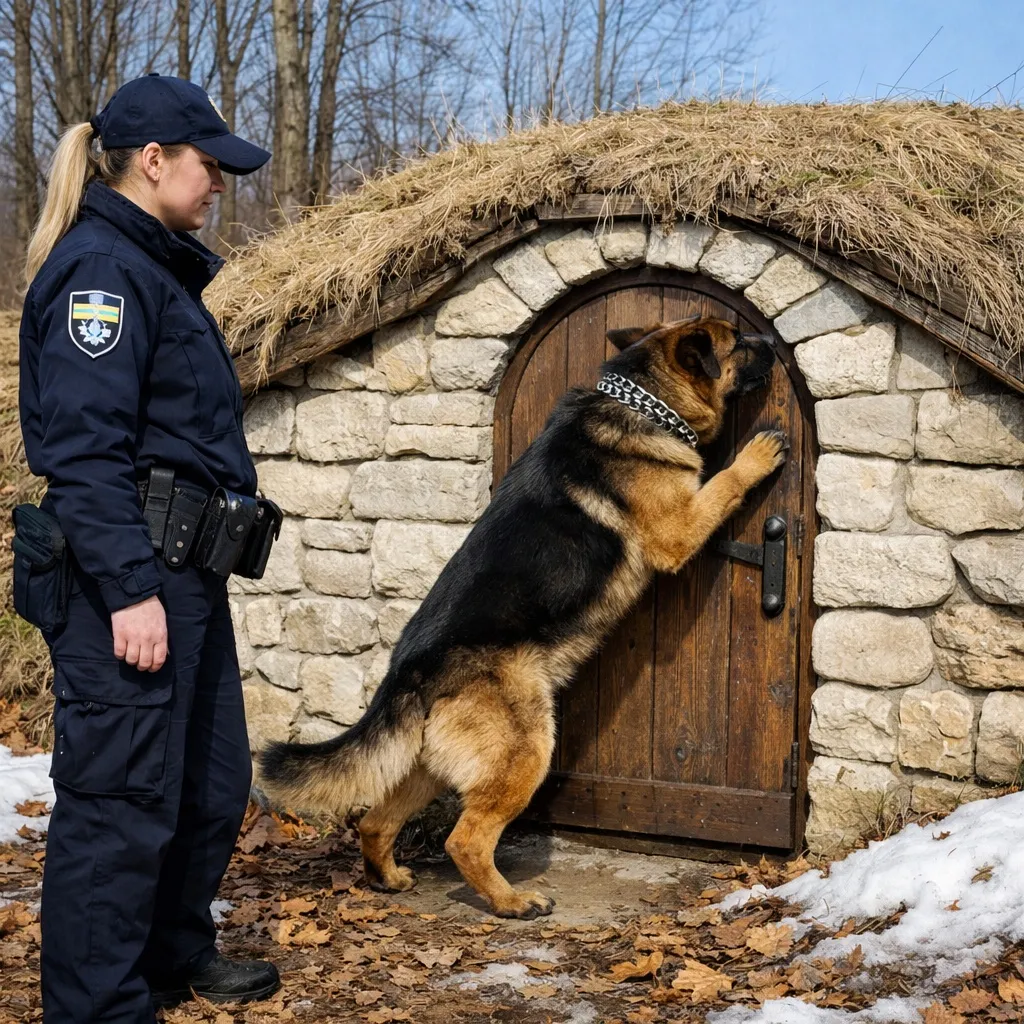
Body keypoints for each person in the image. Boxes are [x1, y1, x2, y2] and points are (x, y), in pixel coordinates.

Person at [17, 74, 279, 1023]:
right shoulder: (101, 275)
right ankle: (95, 1006)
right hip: (128, 575)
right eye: (210, 166)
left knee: (209, 783)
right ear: (154, 161)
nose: (220, 185)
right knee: (120, 800)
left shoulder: (153, 267)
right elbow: (85, 453)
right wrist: (131, 588)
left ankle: (169, 954)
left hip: (186, 574)